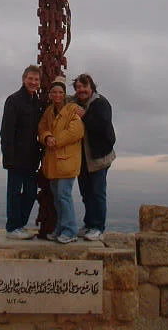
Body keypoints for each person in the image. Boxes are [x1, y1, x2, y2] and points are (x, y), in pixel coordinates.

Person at [38, 77, 84, 244]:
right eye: (54, 92)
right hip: (53, 162)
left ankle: (70, 230)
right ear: (50, 94)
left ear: (64, 94)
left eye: (60, 92)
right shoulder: (49, 112)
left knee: (64, 196)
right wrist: (47, 136)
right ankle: (60, 227)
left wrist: (55, 140)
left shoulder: (72, 110)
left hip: (67, 161)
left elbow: (76, 131)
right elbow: (42, 128)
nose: (57, 95)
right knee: (57, 197)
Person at [0, 65, 43, 239]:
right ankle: (12, 227)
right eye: (30, 79)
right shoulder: (13, 100)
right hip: (16, 157)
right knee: (14, 193)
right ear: (24, 79)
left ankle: (20, 225)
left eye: (36, 80)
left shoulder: (37, 102)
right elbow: (6, 131)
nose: (33, 82)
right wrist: (8, 157)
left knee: (31, 192)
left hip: (32, 158)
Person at [73, 73, 116, 241]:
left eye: (84, 87)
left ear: (92, 88)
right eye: (78, 87)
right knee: (86, 193)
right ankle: (89, 224)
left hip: (99, 158)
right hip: (83, 158)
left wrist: (84, 116)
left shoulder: (101, 103)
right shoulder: (76, 103)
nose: (81, 90)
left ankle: (98, 227)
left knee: (97, 192)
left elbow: (101, 127)